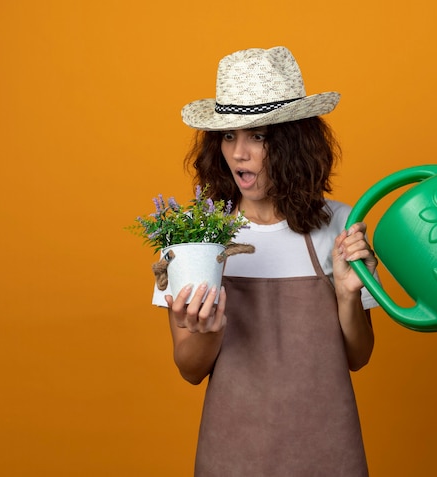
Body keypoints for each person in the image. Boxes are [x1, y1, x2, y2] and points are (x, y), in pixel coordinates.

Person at [152, 46, 379, 476]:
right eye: (229, 135)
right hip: (233, 456)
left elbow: (359, 356)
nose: (239, 153)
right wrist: (206, 330)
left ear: (294, 143)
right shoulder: (192, 236)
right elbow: (189, 369)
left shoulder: (339, 224)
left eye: (258, 136)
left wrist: (350, 296)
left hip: (328, 452)